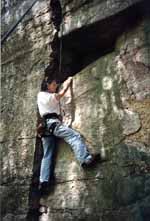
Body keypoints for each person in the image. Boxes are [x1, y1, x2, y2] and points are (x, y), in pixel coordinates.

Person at [37, 76, 100, 195]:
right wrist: (68, 83)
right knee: (74, 136)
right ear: (48, 85)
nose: (55, 87)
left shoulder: (40, 96)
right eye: (54, 84)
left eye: (56, 85)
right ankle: (85, 159)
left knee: (48, 154)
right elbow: (59, 95)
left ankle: (43, 182)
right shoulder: (44, 95)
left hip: (46, 127)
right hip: (52, 124)